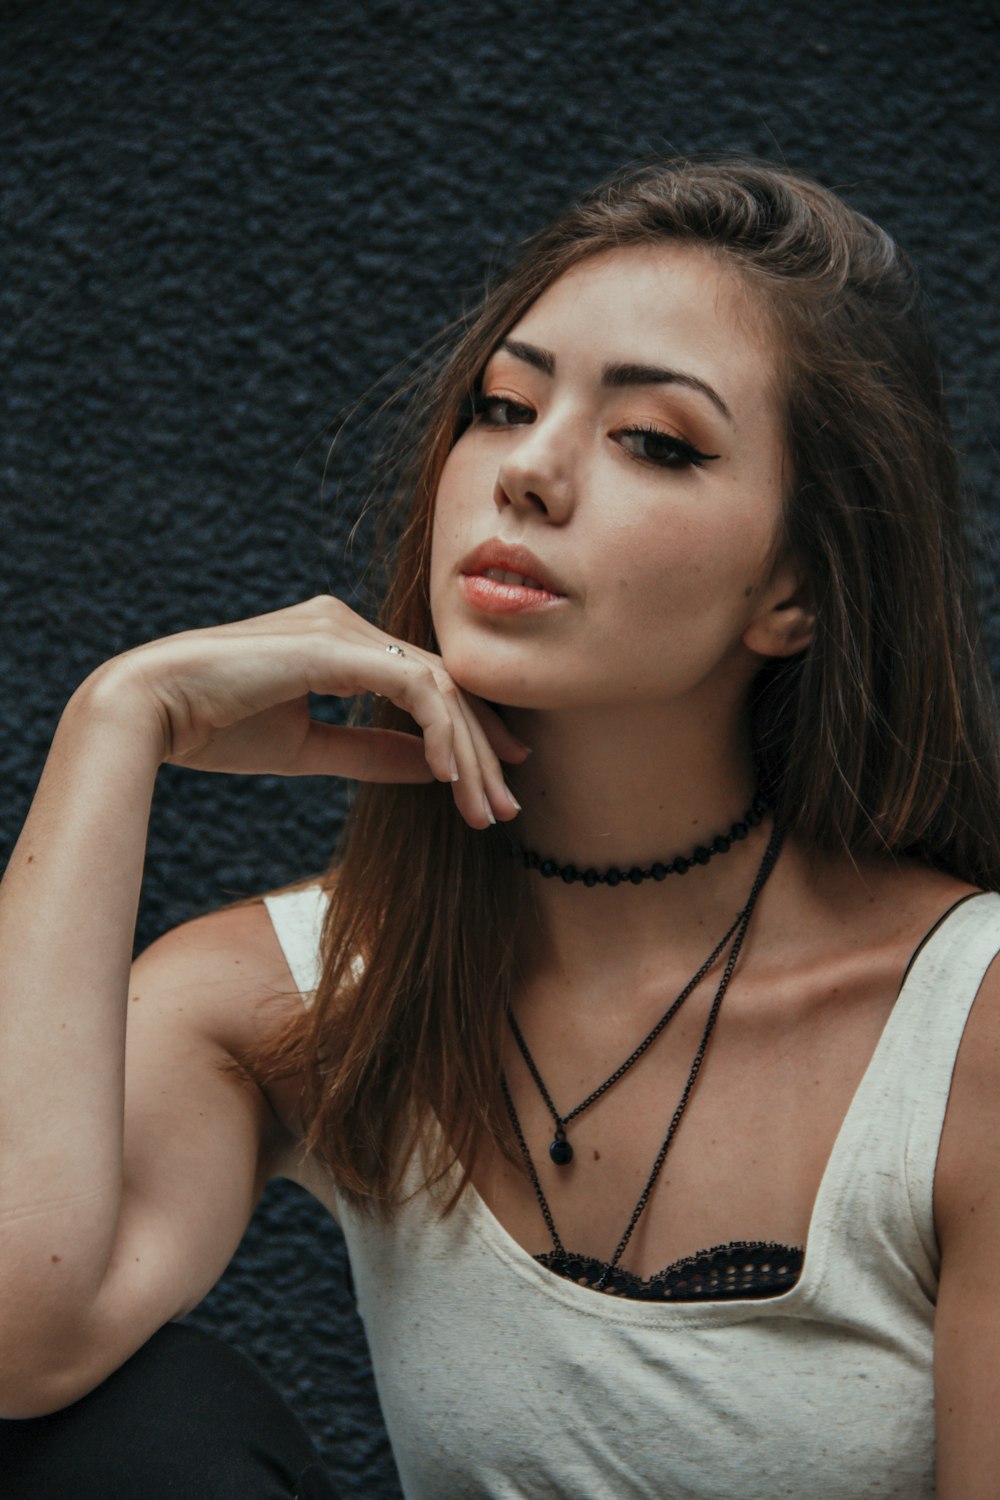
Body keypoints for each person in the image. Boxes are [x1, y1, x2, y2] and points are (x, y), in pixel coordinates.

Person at [1, 156, 999, 1500]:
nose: (528, 471)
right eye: (502, 406)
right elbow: (17, 1337)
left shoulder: (967, 1032)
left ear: (796, 591)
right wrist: (115, 725)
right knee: (137, 1428)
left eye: (655, 440)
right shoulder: (312, 998)